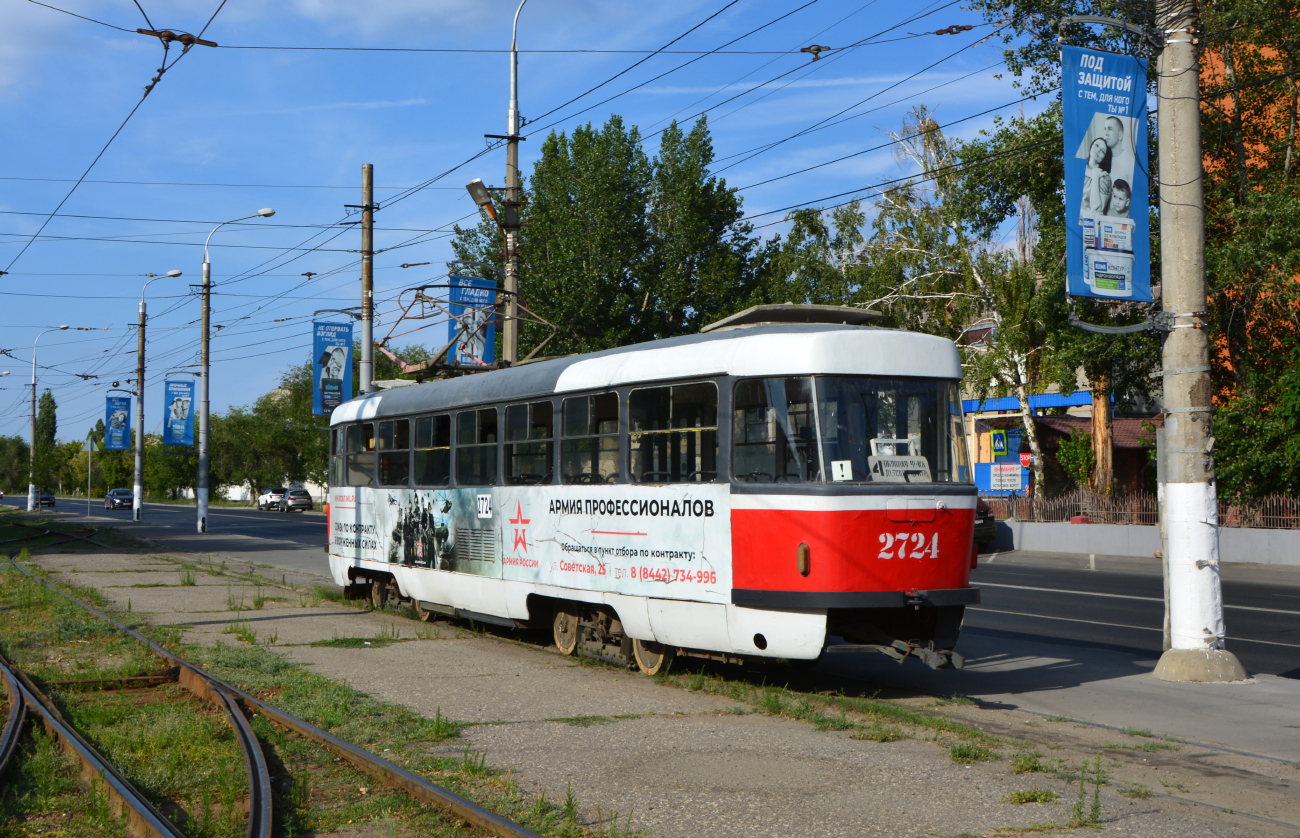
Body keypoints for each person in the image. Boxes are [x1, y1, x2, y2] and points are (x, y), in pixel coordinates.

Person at [1102, 116, 1136, 192]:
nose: (1106, 133)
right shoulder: (1101, 157)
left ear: (1120, 135)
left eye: (1110, 129)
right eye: (1105, 129)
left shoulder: (1130, 162)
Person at [1081, 137, 1112, 214]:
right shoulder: (1079, 166)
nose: (1098, 150)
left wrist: (1095, 176)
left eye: (1102, 151)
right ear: (1091, 146)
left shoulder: (1105, 178)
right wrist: (1091, 173)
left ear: (1104, 158)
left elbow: (1097, 209)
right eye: (1097, 145)